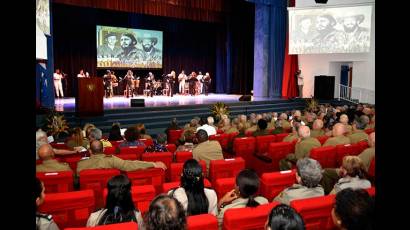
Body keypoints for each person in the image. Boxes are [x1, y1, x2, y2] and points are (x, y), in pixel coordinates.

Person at [76, 140, 167, 175]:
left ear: (90, 151)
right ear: (103, 149)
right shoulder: (111, 160)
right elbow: (130, 165)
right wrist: (153, 164)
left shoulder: (81, 165)